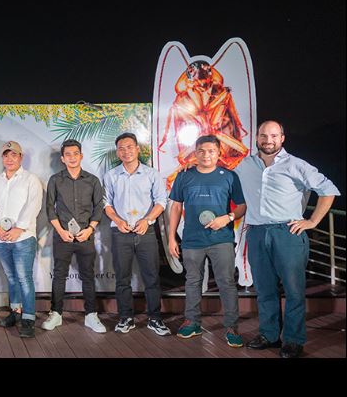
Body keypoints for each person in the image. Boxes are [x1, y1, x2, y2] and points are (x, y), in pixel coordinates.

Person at [235, 121, 339, 358]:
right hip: (257, 232)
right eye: (263, 135)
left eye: (274, 136)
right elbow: (225, 181)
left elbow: (328, 190)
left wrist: (312, 221)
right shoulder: (245, 165)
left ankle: (293, 340)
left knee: (294, 291)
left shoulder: (297, 165)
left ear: (282, 138)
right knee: (264, 289)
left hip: (288, 232)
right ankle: (269, 335)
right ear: (257, 138)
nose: (268, 140)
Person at [168, 134, 247, 347]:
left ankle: (231, 327)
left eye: (211, 151)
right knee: (192, 281)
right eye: (201, 151)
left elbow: (241, 206)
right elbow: (176, 207)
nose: (206, 155)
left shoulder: (229, 176)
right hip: (192, 240)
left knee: (226, 282)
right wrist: (171, 237)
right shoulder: (184, 177)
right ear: (195, 153)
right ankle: (192, 322)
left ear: (219, 153)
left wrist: (227, 218)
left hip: (222, 239)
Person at [103, 133, 171, 336]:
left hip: (146, 232)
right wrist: (118, 221)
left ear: (137, 149)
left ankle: (155, 318)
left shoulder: (152, 174)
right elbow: (106, 203)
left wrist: (147, 220)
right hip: (120, 233)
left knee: (152, 277)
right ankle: (125, 318)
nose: (126, 151)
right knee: (122, 278)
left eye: (130, 147)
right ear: (117, 152)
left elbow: (161, 201)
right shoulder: (111, 175)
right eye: (122, 148)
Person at [42, 139, 106, 333]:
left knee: (88, 275)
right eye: (68, 154)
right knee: (59, 275)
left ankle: (91, 315)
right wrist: (61, 231)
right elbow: (50, 208)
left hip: (86, 235)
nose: (72, 157)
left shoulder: (92, 180)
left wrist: (90, 229)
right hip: (63, 236)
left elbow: (99, 207)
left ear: (81, 156)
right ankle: (56, 313)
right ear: (62, 158)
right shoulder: (55, 180)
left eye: (75, 153)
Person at [0, 141, 44, 338]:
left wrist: (19, 228)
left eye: (14, 155)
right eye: (6, 155)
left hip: (23, 237)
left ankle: (28, 318)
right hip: (2, 239)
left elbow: (34, 205)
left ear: (21, 157)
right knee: (12, 278)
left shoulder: (31, 179)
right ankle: (15, 312)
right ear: (2, 158)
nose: (9, 159)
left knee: (24, 278)